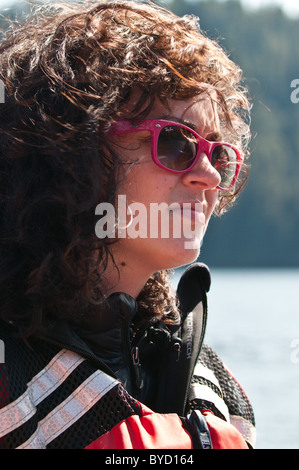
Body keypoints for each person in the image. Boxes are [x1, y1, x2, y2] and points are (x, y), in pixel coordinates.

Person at [0, 0, 255, 449]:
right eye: (175, 142)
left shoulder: (221, 393)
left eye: (216, 152)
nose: (209, 175)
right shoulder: (11, 376)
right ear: (67, 148)